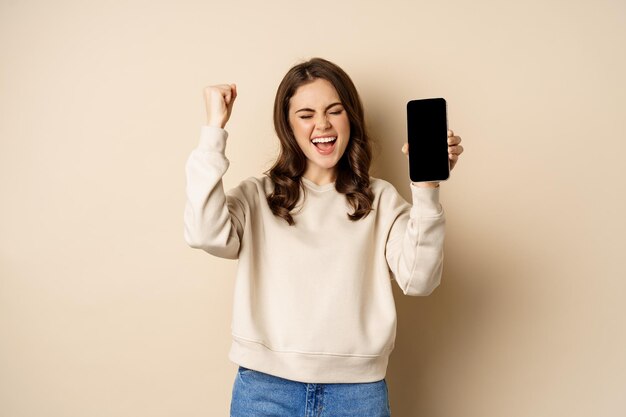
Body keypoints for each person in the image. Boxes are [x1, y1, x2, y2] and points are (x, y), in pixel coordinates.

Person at [184, 57, 463, 417]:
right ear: (287, 124)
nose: (322, 124)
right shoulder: (257, 196)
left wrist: (426, 188)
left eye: (335, 110)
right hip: (265, 390)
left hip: (357, 396)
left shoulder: (380, 200)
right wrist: (213, 132)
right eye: (305, 114)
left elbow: (420, 279)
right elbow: (204, 233)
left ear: (351, 118)